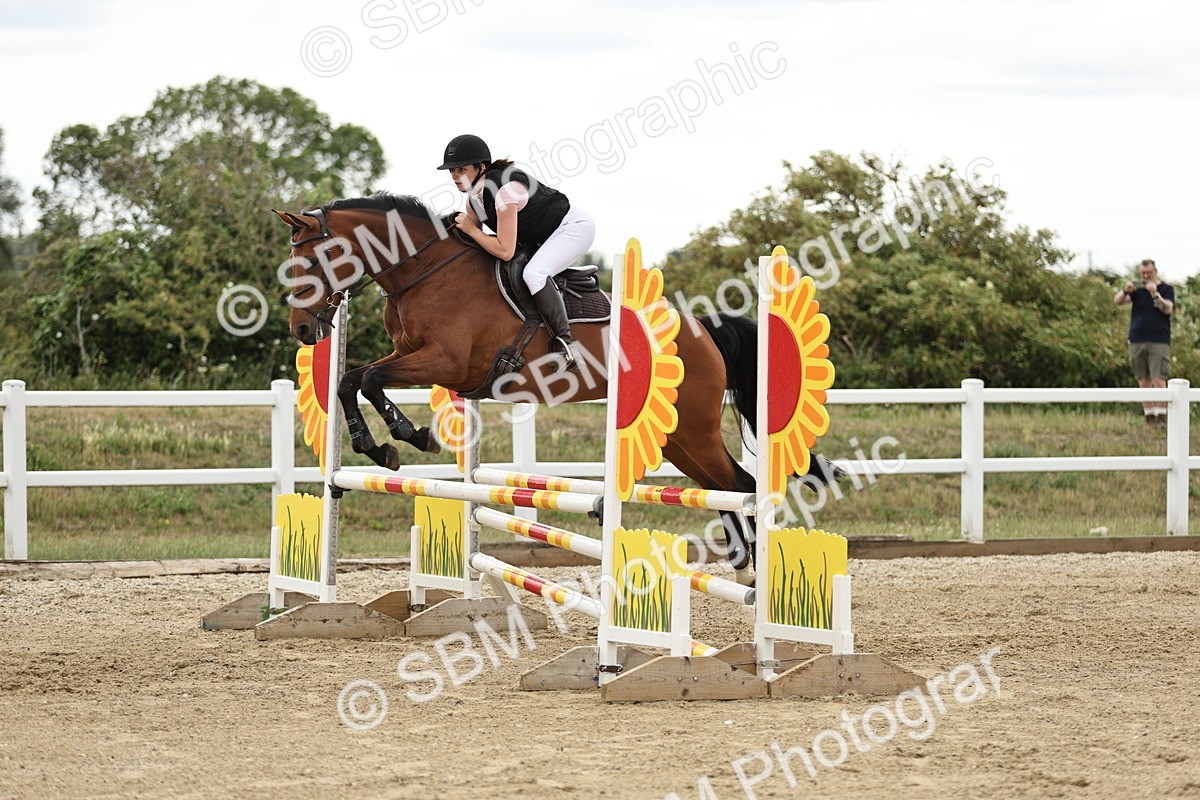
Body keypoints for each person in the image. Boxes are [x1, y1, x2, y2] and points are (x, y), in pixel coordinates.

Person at [437, 134, 595, 372]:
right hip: (542, 238)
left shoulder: (505, 191)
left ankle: (568, 346)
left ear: (481, 167)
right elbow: (473, 248)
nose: (456, 177)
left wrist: (471, 229)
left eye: (461, 169)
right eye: (452, 172)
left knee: (534, 274)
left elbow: (504, 250)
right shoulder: (474, 202)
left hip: (573, 228)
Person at [1114, 258, 1174, 426]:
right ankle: (1149, 416)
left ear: (1155, 271)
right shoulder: (1137, 290)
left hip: (1158, 340)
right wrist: (1125, 290)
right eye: (1143, 273)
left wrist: (1155, 294)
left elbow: (1168, 308)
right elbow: (1117, 301)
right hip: (1137, 338)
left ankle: (1161, 416)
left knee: (1158, 378)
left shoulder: (1166, 288)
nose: (1146, 276)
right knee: (1143, 379)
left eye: (1148, 273)